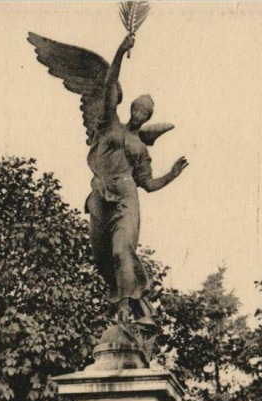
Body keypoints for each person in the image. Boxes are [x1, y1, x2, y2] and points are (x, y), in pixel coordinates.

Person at [85, 33, 188, 327]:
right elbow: (109, 83)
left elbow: (148, 184)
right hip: (101, 199)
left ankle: (126, 309)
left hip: (127, 200)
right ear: (131, 108)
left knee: (121, 251)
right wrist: (120, 51)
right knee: (103, 258)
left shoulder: (140, 148)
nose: (141, 114)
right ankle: (132, 306)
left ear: (148, 117)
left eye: (146, 112)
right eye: (138, 108)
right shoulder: (110, 124)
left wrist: (172, 174)